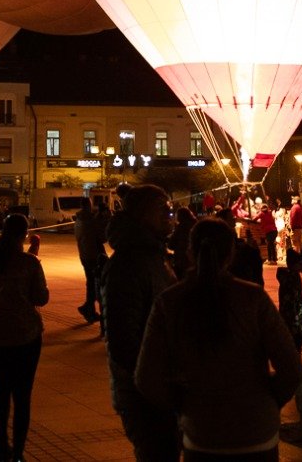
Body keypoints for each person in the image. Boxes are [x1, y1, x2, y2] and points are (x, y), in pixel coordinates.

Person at [136, 216, 302, 462]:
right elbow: (292, 369)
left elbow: (146, 378)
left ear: (190, 252)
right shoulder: (253, 298)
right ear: (231, 254)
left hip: (202, 433)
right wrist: (266, 400)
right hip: (255, 432)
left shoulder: (169, 303)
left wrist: (184, 404)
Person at [102, 184, 179, 462]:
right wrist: (154, 382)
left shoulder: (155, 256)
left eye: (170, 208)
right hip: (145, 393)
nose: (170, 215)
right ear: (142, 215)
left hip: (161, 385)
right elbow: (123, 340)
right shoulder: (130, 263)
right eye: (162, 209)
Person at [0, 213, 48, 462]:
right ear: (24, 234)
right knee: (22, 396)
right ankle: (18, 452)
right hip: (27, 336)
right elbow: (41, 297)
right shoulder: (29, 263)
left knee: (1, 394)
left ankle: (1, 448)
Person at [74, 195, 107, 324]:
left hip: (84, 254)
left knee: (91, 282)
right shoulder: (90, 220)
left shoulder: (78, 219)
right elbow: (102, 237)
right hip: (94, 255)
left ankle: (89, 309)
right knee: (97, 283)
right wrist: (103, 219)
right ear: (89, 205)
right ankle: (89, 308)